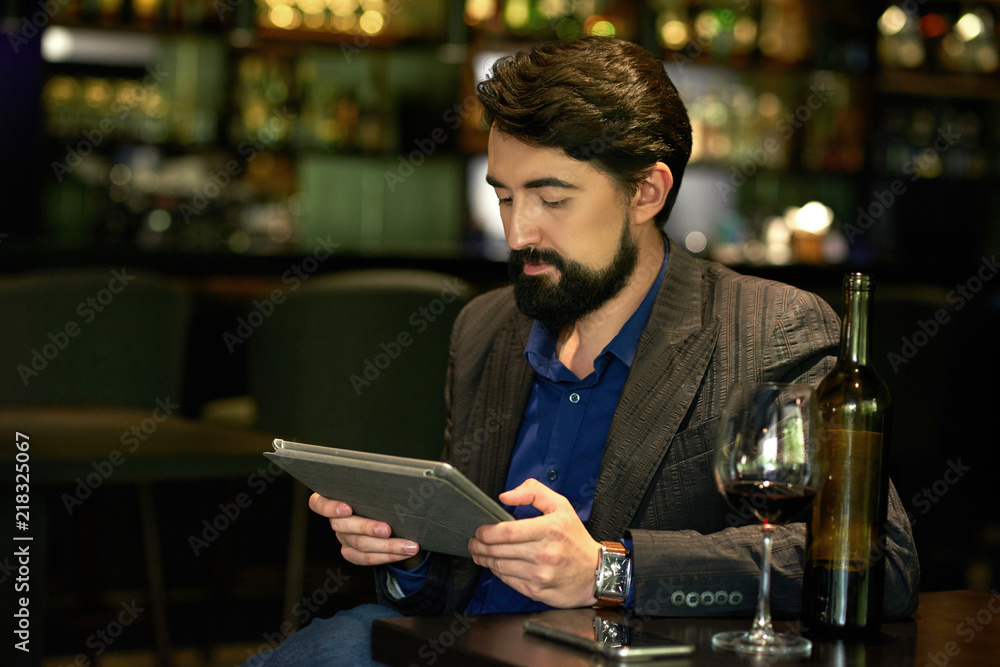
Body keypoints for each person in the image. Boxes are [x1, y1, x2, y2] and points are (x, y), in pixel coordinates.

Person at [245, 36, 919, 665]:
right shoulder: (486, 327)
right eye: (504, 196)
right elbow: (451, 589)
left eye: (550, 197)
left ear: (647, 192)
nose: (517, 232)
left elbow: (877, 564)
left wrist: (610, 569)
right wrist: (407, 555)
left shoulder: (770, 327)